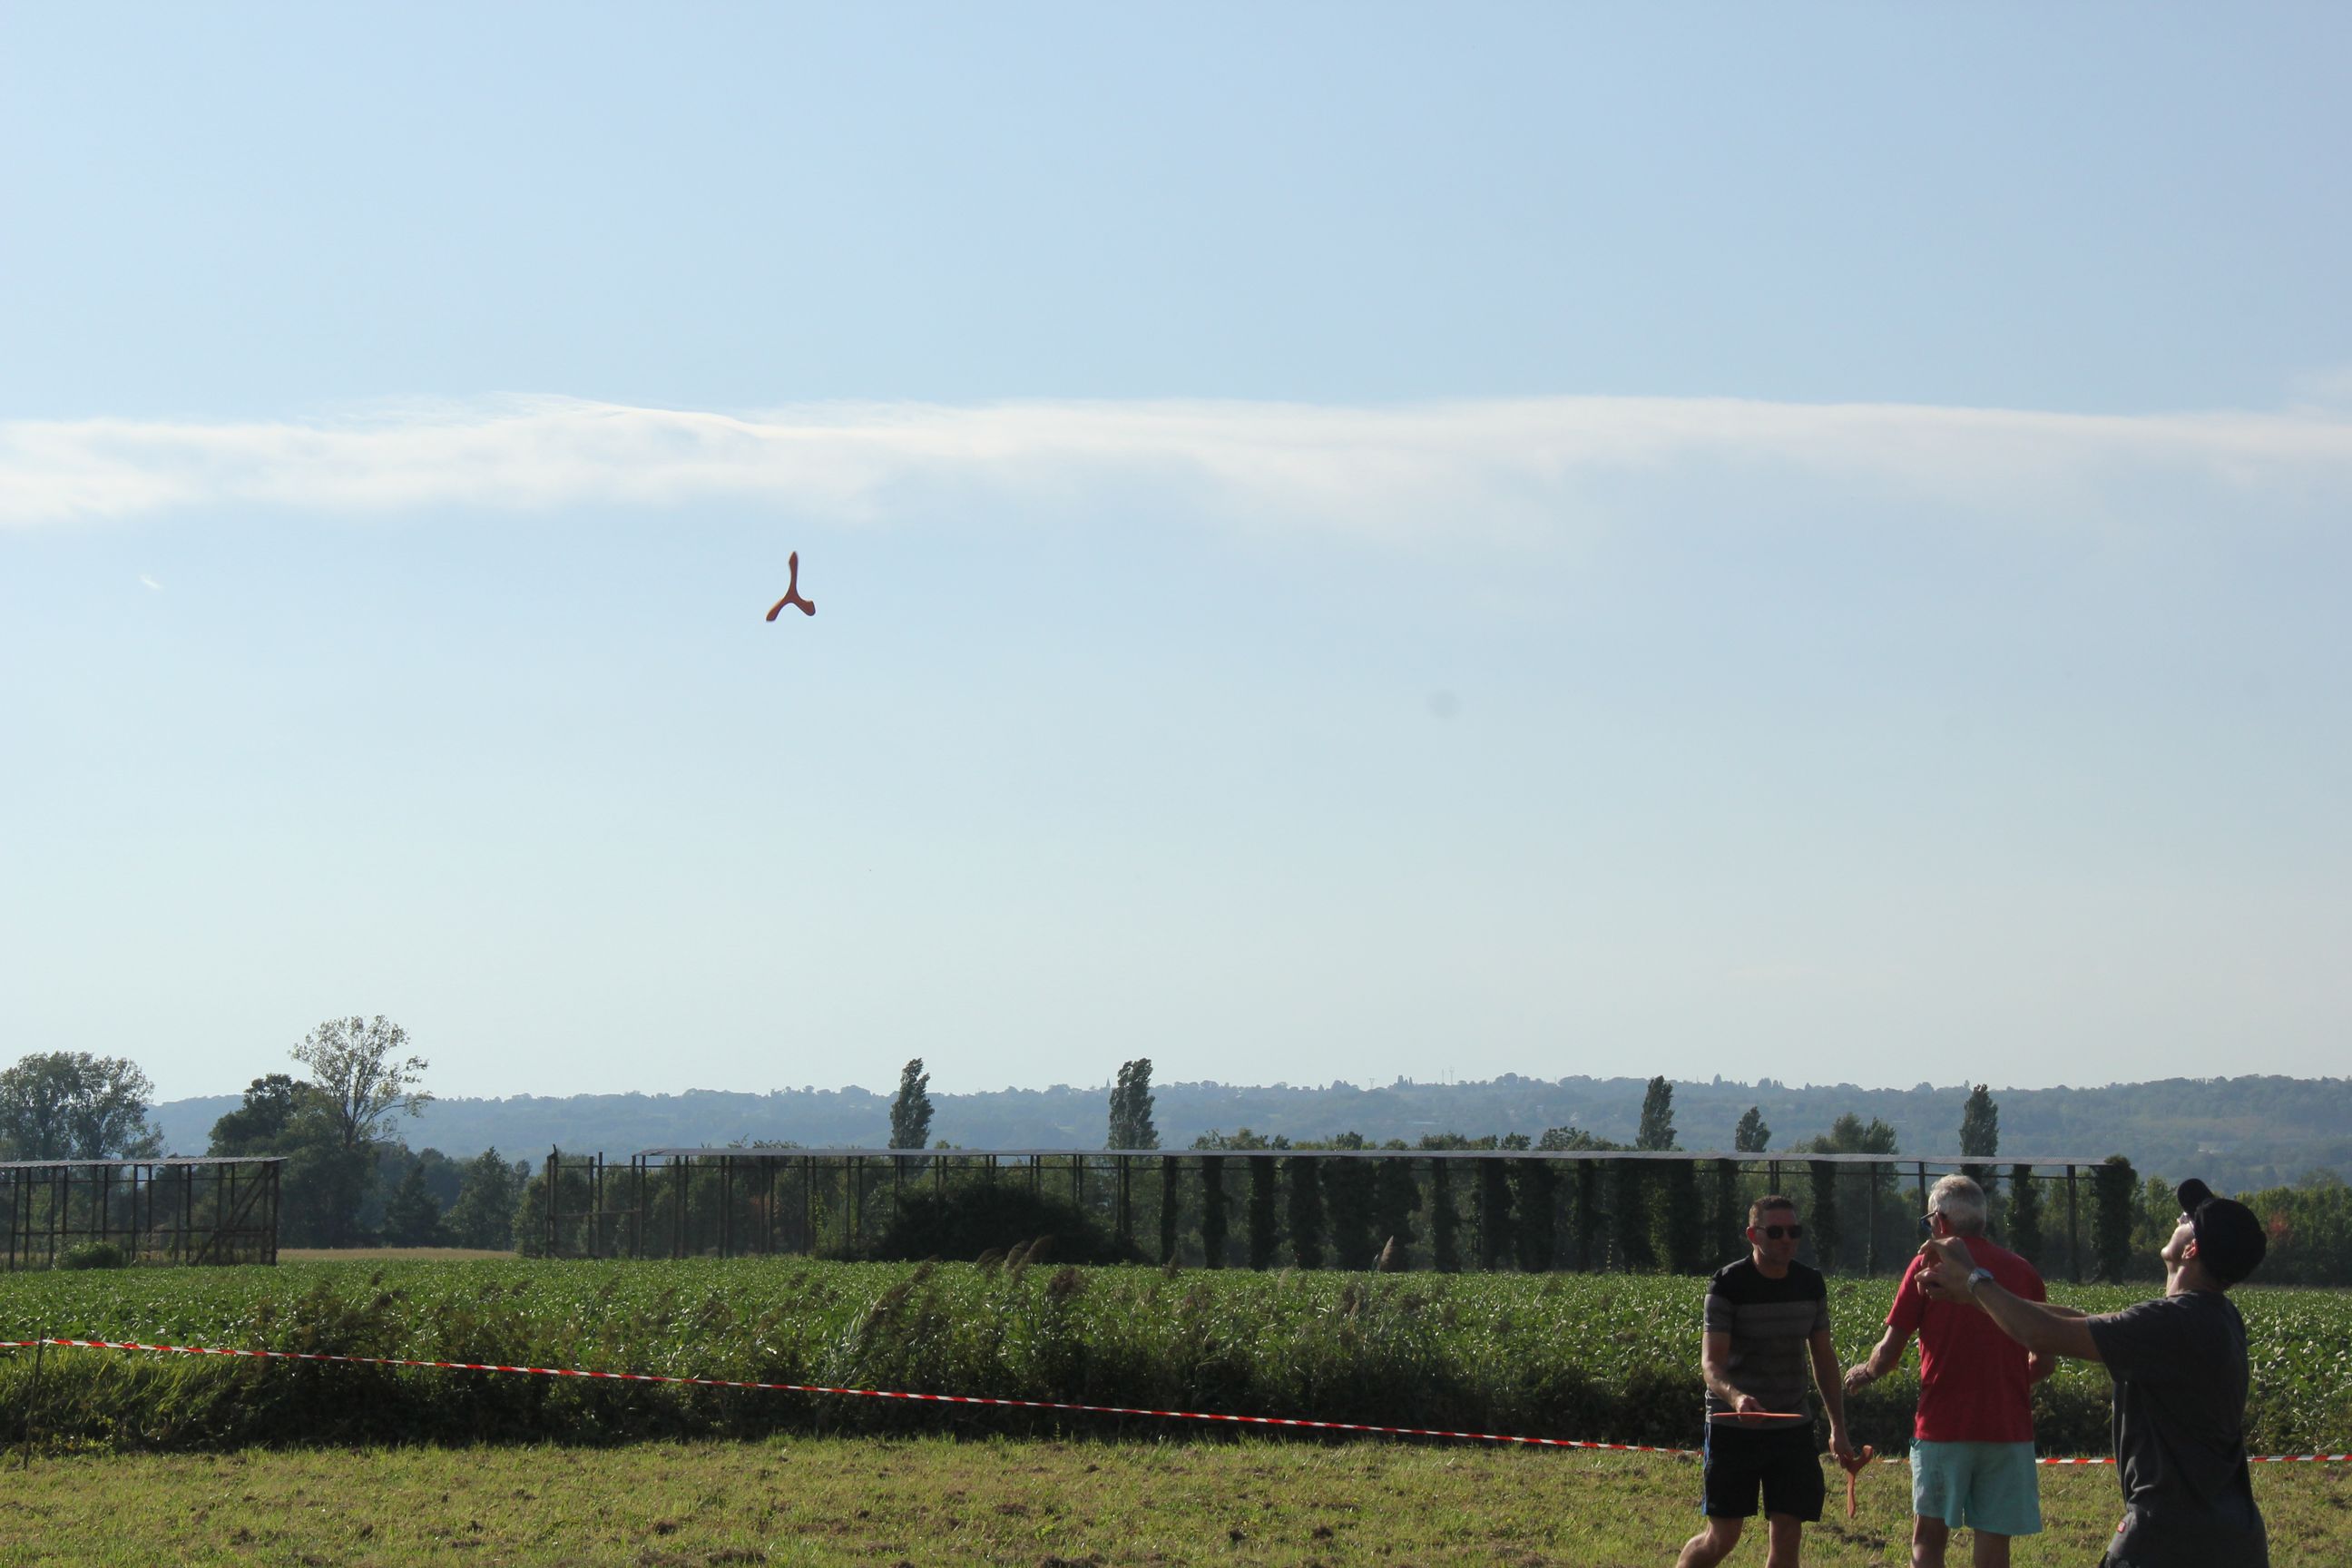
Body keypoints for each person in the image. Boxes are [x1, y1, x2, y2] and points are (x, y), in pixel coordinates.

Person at [1915, 1177, 2270, 1568]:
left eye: (2187, 1219)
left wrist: (1973, 1279)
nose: (2178, 1219)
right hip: (2233, 1535)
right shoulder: (2211, 1317)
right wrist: (1976, 1298)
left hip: (2168, 1536)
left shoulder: (2173, 1322)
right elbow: (2082, 1322)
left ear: (2192, 1249)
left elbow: (2042, 1334)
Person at [1844, 1174, 2049, 1568]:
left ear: (1940, 1221)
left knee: (1928, 1540)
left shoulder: (1928, 1265)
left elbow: (1889, 1352)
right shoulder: (2024, 1272)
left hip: (1942, 1426)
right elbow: (2044, 1361)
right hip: (2008, 1428)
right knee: (1994, 1543)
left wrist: (1866, 1372)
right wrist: (2002, 1384)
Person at [1678, 1194, 1857, 1568]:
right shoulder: (1728, 1285)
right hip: (1733, 1425)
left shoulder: (1810, 1284)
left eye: (1794, 1231)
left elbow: (1824, 1359)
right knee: (1723, 1537)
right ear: (1753, 1235)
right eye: (1775, 1232)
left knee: (1788, 1536)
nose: (1786, 1240)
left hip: (1791, 1425)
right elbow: (1711, 1365)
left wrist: (1837, 1427)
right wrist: (1738, 1399)